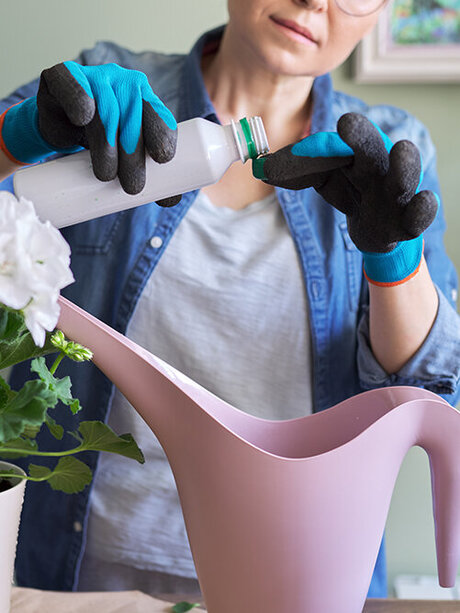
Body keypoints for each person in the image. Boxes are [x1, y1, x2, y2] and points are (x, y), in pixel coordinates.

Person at [1, 0, 460, 599]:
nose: (315, 1)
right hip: (79, 578)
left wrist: (396, 264)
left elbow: (433, 387)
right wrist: (17, 139)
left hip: (295, 585)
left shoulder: (389, 150)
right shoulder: (107, 89)